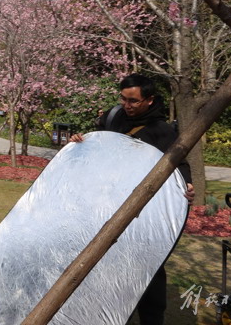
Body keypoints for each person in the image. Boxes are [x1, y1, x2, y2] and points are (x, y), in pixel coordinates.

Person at [69, 73, 194, 325]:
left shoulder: (162, 131)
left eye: (133, 101)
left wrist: (186, 185)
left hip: (145, 213)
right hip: (107, 206)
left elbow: (179, 164)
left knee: (149, 267)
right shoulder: (114, 118)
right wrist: (80, 142)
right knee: (106, 264)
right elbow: (100, 147)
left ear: (149, 100)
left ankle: (151, 319)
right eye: (124, 99)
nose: (127, 105)